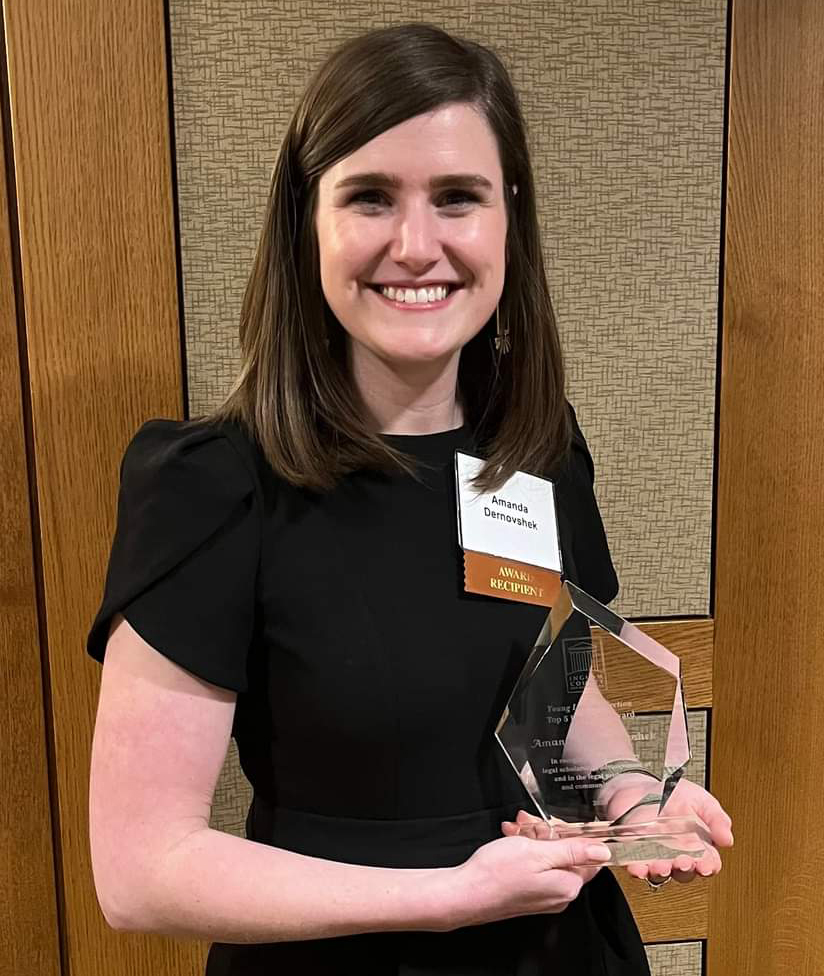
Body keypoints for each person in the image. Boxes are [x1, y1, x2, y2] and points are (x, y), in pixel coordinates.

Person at [85, 23, 733, 975]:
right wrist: (451, 898)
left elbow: (555, 681)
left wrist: (634, 797)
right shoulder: (213, 484)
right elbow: (141, 871)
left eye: (458, 199)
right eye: (371, 198)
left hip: (560, 943)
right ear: (310, 222)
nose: (416, 245)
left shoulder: (537, 445)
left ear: (508, 217)